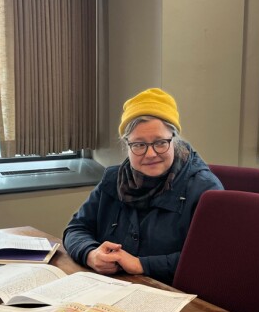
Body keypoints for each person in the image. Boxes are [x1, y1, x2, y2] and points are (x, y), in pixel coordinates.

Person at [63, 87, 222, 283]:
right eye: (139, 144)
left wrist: (141, 265)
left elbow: (210, 260)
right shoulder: (113, 179)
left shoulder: (204, 189)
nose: (150, 154)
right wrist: (90, 253)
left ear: (174, 140)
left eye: (160, 142)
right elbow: (76, 228)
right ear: (127, 145)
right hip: (111, 289)